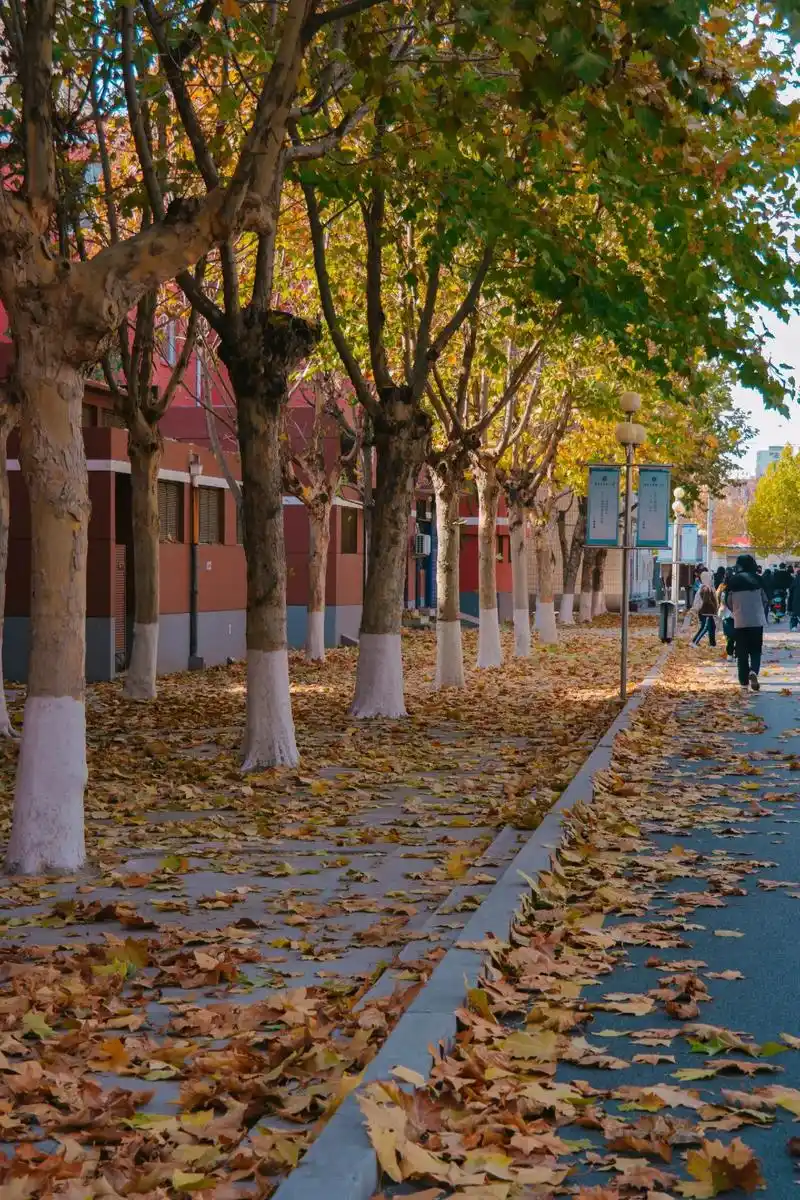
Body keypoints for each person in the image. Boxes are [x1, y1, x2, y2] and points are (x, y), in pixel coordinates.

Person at [725, 554, 768, 691]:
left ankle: (743, 682)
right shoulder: (759, 580)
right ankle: (753, 671)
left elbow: (728, 601)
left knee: (742, 651)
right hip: (756, 620)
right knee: (756, 649)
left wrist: (736, 610)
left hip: (740, 620)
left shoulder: (733, 581)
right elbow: (765, 599)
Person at [692, 571, 718, 647]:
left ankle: (712, 644)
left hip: (707, 612)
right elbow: (706, 601)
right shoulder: (705, 588)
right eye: (710, 578)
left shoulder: (706, 587)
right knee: (705, 628)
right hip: (706, 612)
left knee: (712, 627)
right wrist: (714, 606)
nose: (711, 579)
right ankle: (694, 642)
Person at [717, 569, 735, 658]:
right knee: (736, 635)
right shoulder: (737, 586)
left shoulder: (722, 586)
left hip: (726, 614)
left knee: (729, 635)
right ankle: (734, 653)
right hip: (736, 614)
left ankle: (730, 654)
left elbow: (718, 597)